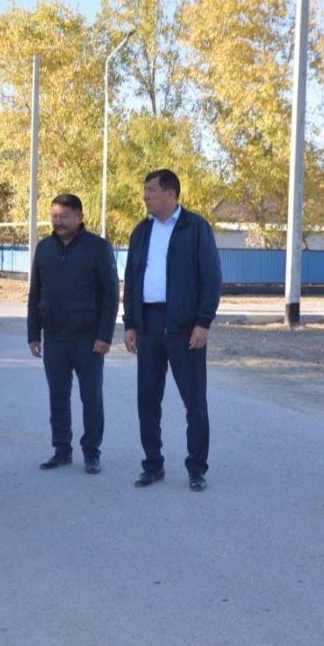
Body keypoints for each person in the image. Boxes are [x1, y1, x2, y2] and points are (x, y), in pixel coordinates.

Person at [122, 169, 221, 492]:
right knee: (147, 400)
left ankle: (196, 468)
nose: (145, 196)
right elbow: (132, 280)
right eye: (145, 190)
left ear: (171, 194)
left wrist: (203, 322)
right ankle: (152, 465)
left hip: (184, 326)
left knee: (194, 401)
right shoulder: (141, 231)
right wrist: (131, 323)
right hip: (148, 325)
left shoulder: (196, 228)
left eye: (151, 190)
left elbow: (211, 278)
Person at [28, 194, 119, 474]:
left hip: (88, 339)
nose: (58, 221)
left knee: (91, 398)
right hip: (54, 336)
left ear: (79, 217)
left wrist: (104, 336)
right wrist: (33, 333)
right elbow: (35, 293)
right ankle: (61, 450)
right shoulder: (44, 248)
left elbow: (110, 295)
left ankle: (91, 452)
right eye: (54, 216)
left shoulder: (98, 248)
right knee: (57, 396)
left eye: (64, 216)